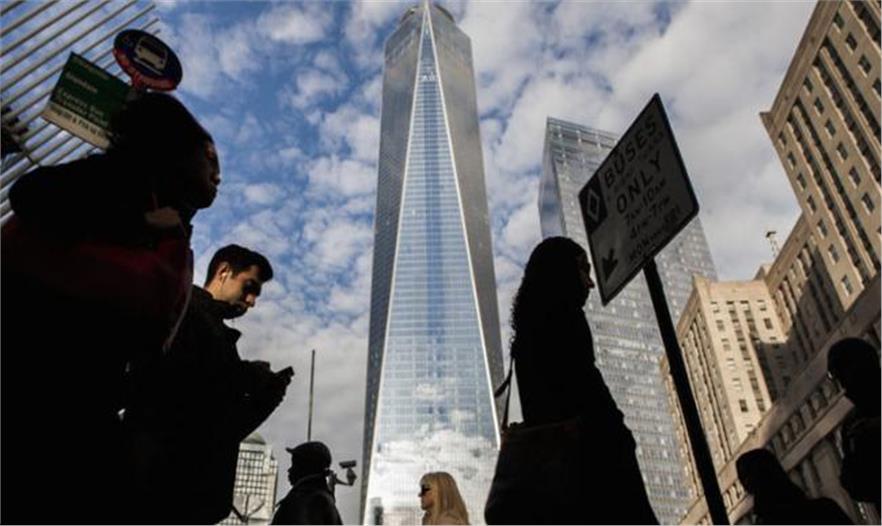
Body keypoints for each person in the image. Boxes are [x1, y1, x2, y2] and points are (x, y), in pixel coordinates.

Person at [1, 92, 219, 524]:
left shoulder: (163, 211)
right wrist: (140, 223)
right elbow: (30, 193)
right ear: (175, 149)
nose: (218, 172)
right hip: (35, 393)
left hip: (70, 401)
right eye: (209, 156)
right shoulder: (120, 182)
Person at [487, 237, 657, 524]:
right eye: (583, 269)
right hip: (591, 476)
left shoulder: (526, 336)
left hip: (554, 487)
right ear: (560, 271)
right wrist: (620, 435)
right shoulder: (565, 319)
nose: (590, 283)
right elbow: (589, 398)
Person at [124, 244, 292, 524]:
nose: (251, 301)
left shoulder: (214, 330)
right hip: (162, 491)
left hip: (187, 499)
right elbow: (180, 399)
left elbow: (223, 430)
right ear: (223, 272)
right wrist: (245, 376)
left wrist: (267, 397)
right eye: (249, 287)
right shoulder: (184, 312)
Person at [827, 338, 881, 510]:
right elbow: (855, 485)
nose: (843, 383)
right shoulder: (852, 424)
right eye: (836, 376)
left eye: (844, 370)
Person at [736, 448, 852, 524]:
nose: (746, 482)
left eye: (749, 476)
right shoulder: (825, 509)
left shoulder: (824, 510)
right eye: (744, 478)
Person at [272, 441, 343, 525]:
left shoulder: (306, 499)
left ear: (306, 467)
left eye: (294, 464)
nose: (289, 470)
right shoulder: (322, 498)